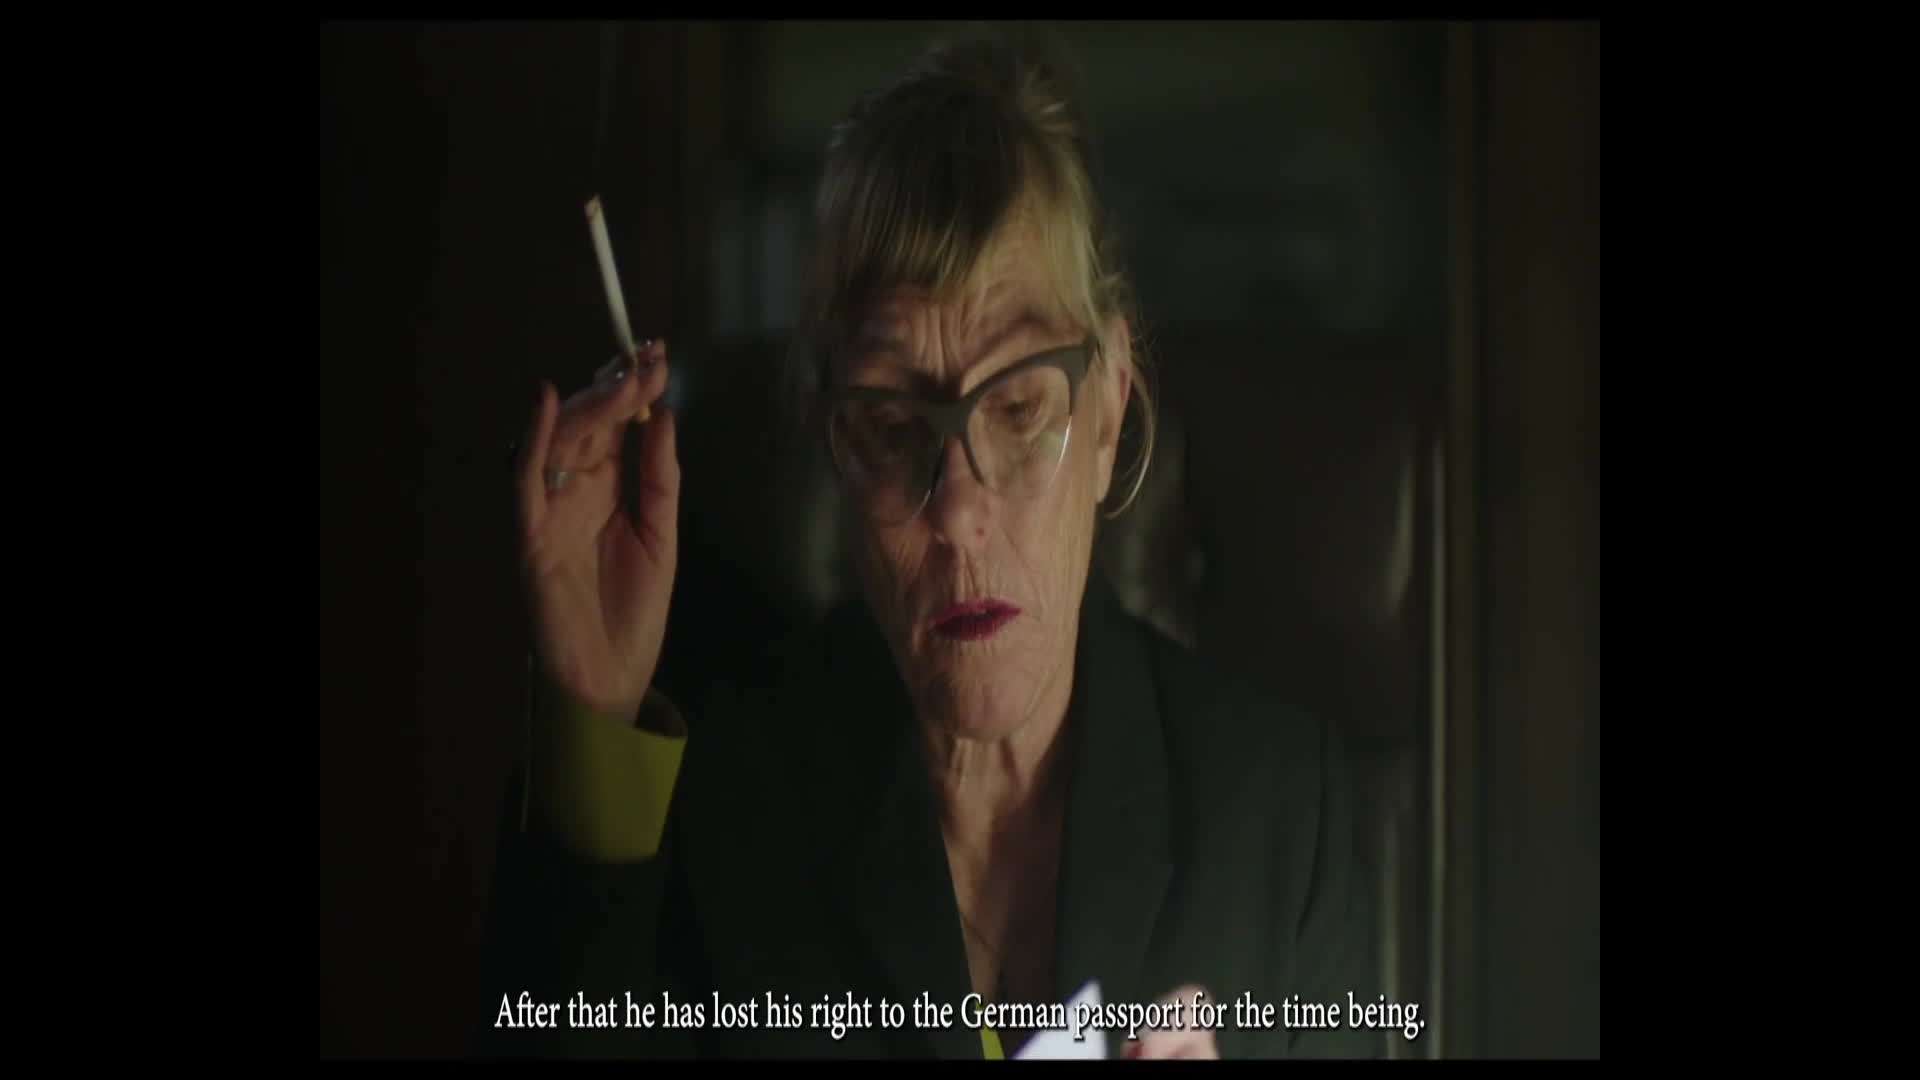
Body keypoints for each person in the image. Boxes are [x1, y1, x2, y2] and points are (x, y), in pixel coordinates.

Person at [477, 30, 1380, 1060]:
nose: (957, 511)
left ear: (1109, 413)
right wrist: (593, 725)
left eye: (1021, 408)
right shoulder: (712, 808)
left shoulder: (1277, 815)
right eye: (893, 427)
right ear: (833, 445)